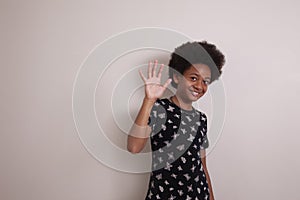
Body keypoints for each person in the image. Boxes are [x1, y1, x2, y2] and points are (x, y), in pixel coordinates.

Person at [127, 41, 225, 200]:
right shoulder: (158, 109)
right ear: (177, 77)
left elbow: (202, 167)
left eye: (205, 81)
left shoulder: (201, 119)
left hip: (198, 195)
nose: (199, 86)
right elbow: (133, 147)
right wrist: (148, 100)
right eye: (194, 78)